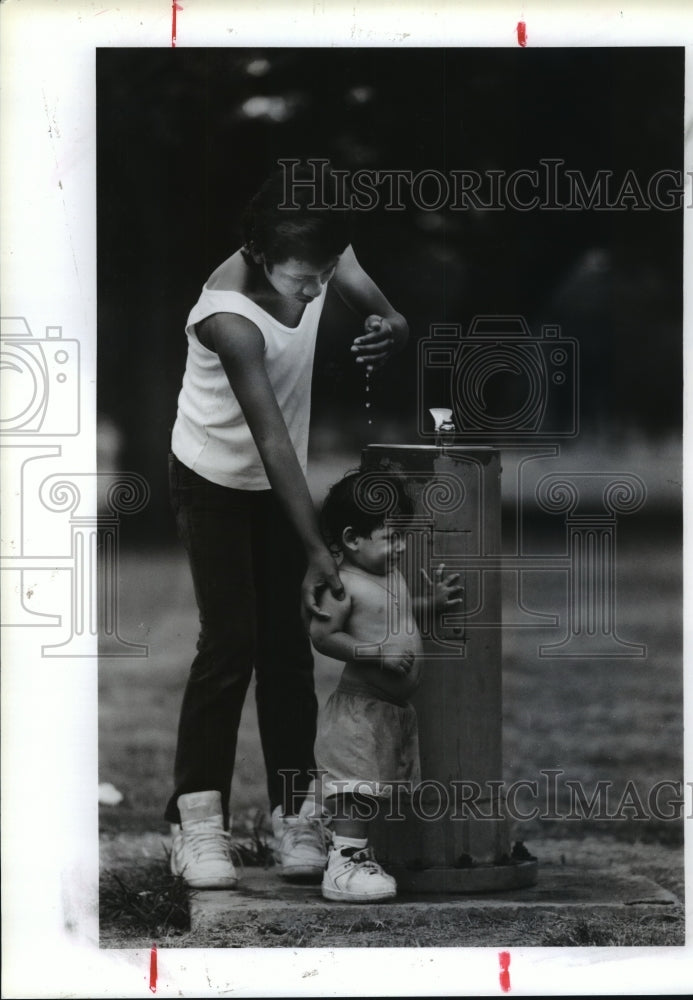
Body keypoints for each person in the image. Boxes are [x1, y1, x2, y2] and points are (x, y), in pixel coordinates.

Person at [166, 167, 409, 889]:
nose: (316, 290)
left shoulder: (319, 249)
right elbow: (271, 440)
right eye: (305, 280)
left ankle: (295, 813)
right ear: (261, 254)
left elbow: (381, 306)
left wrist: (392, 328)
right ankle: (195, 823)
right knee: (230, 642)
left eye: (326, 274)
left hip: (278, 483)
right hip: (213, 478)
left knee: (288, 650)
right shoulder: (227, 316)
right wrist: (317, 553)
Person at [309, 471, 462, 902]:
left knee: (369, 787)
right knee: (357, 789)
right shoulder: (342, 586)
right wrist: (375, 653)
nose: (400, 547)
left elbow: (394, 614)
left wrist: (429, 605)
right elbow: (323, 637)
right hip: (360, 708)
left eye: (403, 537)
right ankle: (344, 866)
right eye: (392, 537)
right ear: (353, 538)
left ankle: (338, 838)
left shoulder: (388, 575)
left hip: (389, 709)